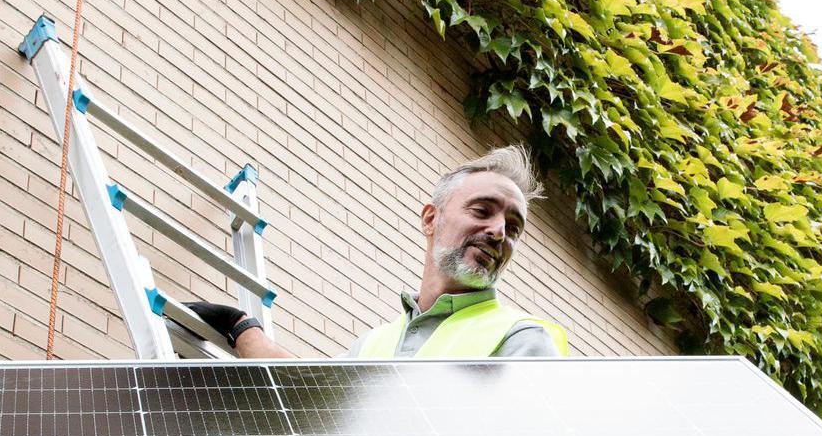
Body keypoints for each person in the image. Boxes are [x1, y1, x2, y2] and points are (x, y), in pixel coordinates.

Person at [195, 146, 571, 359]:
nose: (499, 232)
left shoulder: (521, 338)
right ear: (430, 219)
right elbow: (311, 400)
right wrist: (241, 327)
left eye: (513, 228)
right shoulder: (375, 343)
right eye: (482, 210)